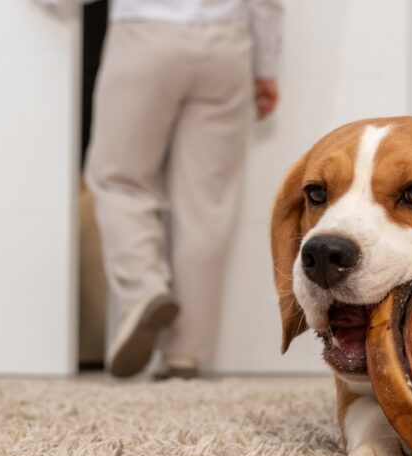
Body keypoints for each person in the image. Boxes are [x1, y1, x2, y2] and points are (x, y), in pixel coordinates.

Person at [85, 0, 283, 379]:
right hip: (226, 46)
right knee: (206, 204)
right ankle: (185, 354)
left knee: (120, 178)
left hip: (145, 34)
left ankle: (143, 292)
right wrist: (266, 69)